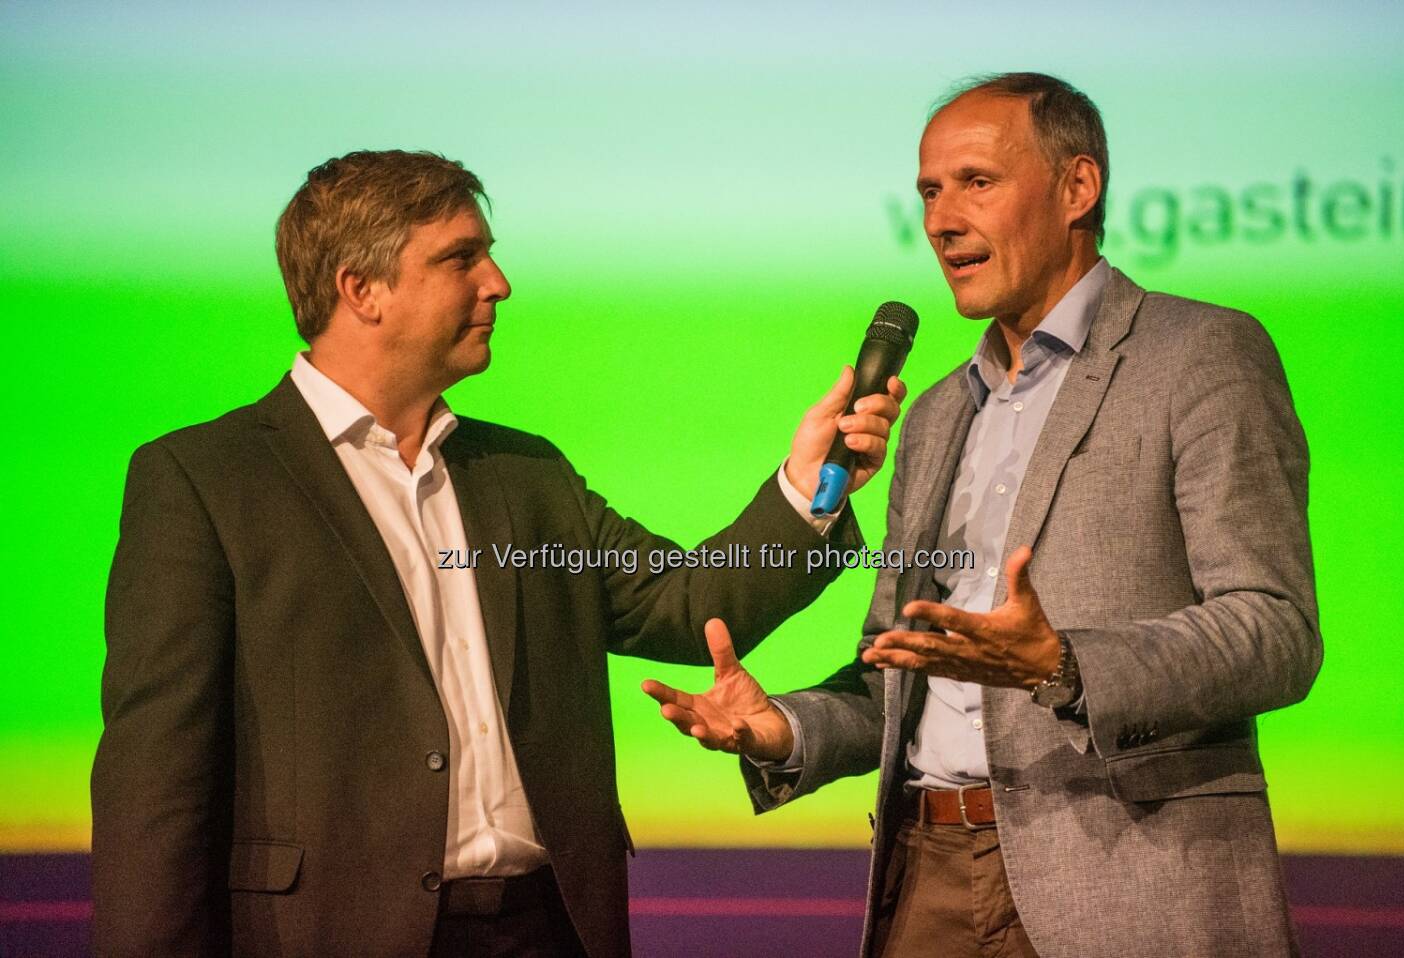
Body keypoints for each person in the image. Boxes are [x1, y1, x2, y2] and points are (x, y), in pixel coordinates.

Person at [90, 149, 904, 958]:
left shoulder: (525, 473)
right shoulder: (204, 480)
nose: (499, 282)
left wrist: (811, 485)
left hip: (547, 928)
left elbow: (685, 606)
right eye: (461, 257)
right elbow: (155, 789)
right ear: (359, 288)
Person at [642, 72, 1321, 957]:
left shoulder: (1198, 356)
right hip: (926, 870)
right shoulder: (931, 415)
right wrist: (789, 727)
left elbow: (1275, 631)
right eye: (929, 190)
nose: (940, 219)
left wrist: (1069, 665)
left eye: (976, 183)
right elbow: (902, 670)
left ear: (1078, 188)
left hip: (1123, 878)